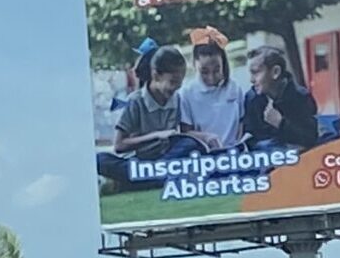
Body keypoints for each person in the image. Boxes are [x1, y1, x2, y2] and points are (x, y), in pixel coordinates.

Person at [97, 45, 207, 184]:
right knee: (100, 160)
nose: (175, 88)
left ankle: (149, 179)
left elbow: (185, 134)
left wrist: (205, 138)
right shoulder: (135, 101)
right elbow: (119, 146)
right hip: (139, 161)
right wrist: (155, 136)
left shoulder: (177, 99)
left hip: (165, 160)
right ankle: (156, 178)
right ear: (155, 75)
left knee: (189, 144)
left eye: (178, 84)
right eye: (172, 82)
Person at [240, 46, 322, 150]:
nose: (251, 80)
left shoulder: (300, 97)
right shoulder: (252, 98)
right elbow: (250, 133)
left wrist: (280, 123)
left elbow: (310, 139)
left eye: (256, 72)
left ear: (275, 72)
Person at [179, 39, 245, 151]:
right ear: (194, 64)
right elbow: (185, 132)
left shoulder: (234, 88)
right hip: (205, 153)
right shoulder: (186, 94)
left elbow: (241, 123)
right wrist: (205, 137)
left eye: (217, 70)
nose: (211, 77)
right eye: (204, 72)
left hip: (234, 150)